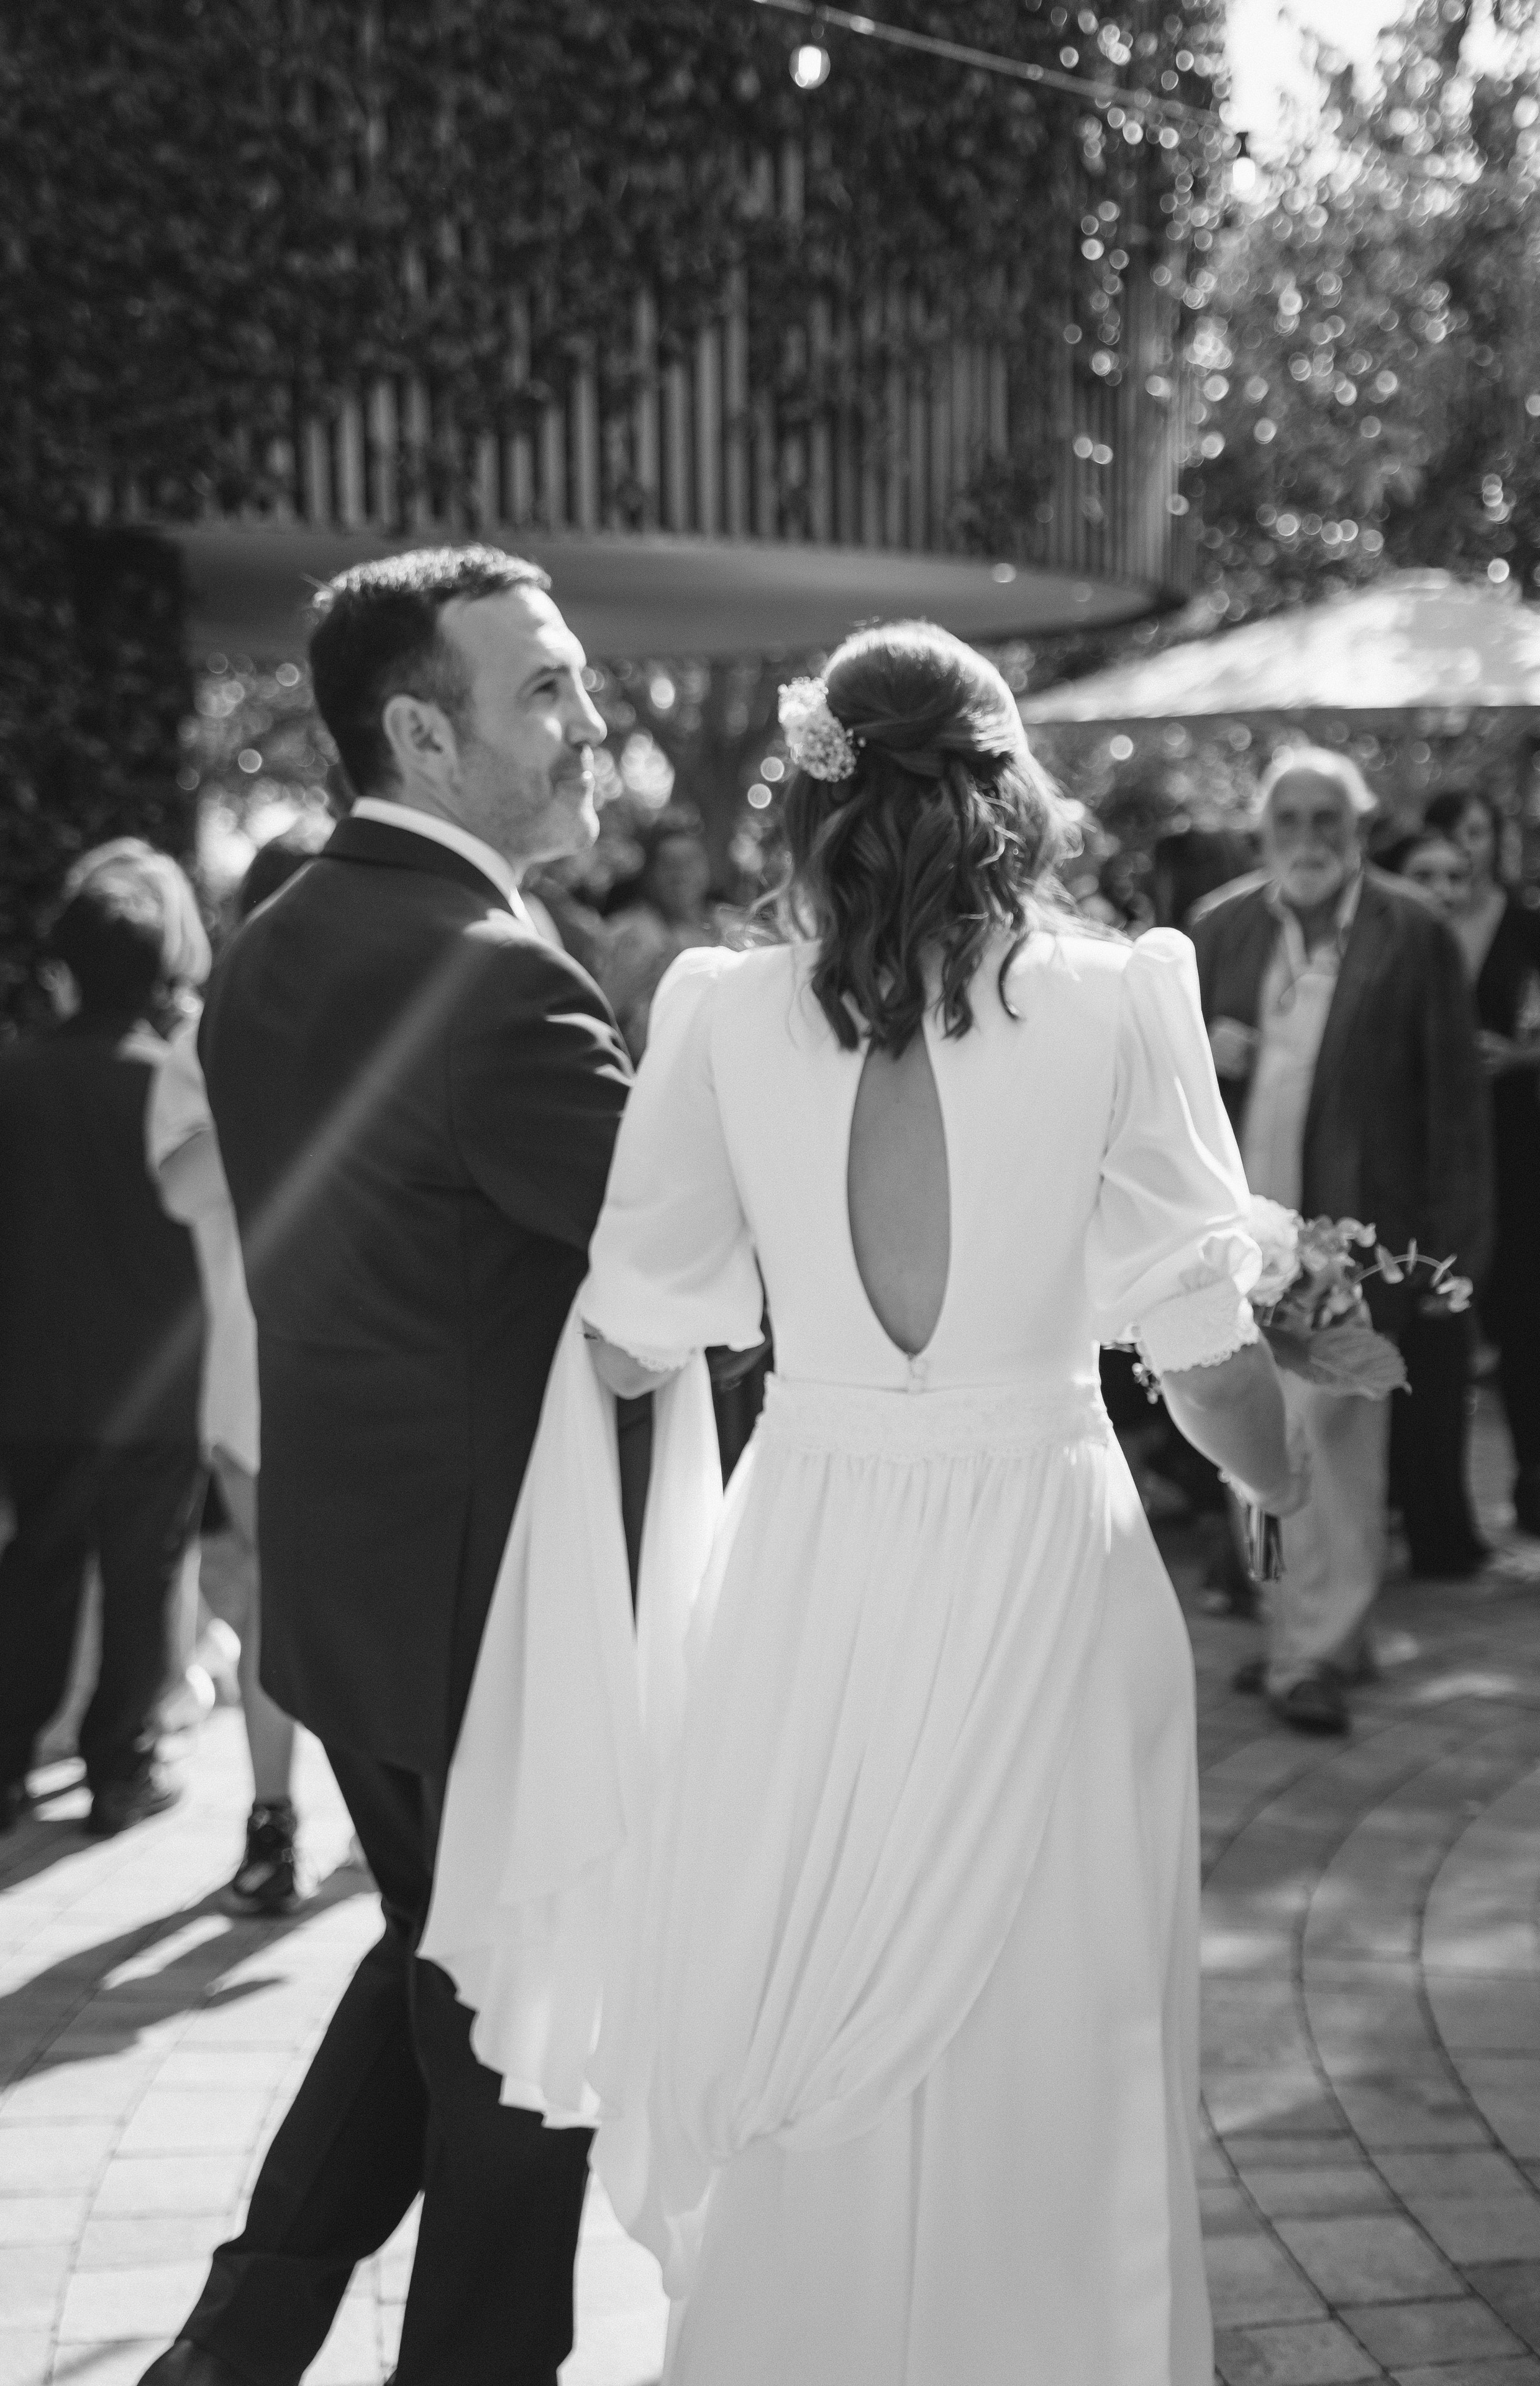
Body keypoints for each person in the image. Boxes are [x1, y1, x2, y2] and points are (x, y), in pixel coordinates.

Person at [422, 621, 1305, 2384]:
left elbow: (632, 1331)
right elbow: (1201, 1353)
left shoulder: (718, 1016)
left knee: (800, 1985)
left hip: (806, 1563)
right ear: (1007, 786)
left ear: (815, 794)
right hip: (1046, 1561)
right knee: (1060, 2030)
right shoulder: (1125, 994)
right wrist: (1292, 1493)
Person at [140, 546, 634, 2386]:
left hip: (365, 1598)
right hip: (501, 1615)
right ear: (420, 731)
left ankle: (239, 2337)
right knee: (526, 2034)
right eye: (549, 691)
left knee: (444, 1964)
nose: (592, 723)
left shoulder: (277, 941)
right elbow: (689, 1250)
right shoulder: (493, 975)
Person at [1190, 751, 1491, 1733]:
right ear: (1262, 830)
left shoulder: (1412, 930)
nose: (1309, 839)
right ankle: (1309, 1628)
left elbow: (1455, 1096)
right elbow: (1169, 1088)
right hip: (1238, 1240)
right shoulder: (1222, 929)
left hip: (1352, 1239)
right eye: (1291, 820)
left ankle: (1308, 1651)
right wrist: (1210, 1047)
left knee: (1331, 1440)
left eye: (1330, 819)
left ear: (1361, 828)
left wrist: (1457, 1246)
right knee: (1250, 1447)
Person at [0, 843, 211, 1834]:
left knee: (35, 1570)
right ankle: (118, 1766)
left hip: (36, 1382)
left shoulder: (18, 1078)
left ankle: (6, 1761)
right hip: (156, 1382)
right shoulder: (175, 1087)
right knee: (142, 1583)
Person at [147, 826, 327, 1914]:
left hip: (385, 1369)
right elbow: (180, 1184)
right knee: (277, 1594)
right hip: (256, 1381)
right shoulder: (209, 1038)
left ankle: (397, 1834)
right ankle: (272, 1817)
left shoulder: (401, 1020)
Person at [1424, 787, 1540, 1538]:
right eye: (1456, 836)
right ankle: (1433, 1497)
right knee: (1435, 1312)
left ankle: (1532, 1476)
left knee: (1525, 1313)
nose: (1469, 849)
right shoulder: (1406, 928)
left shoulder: (1530, 929)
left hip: (1518, 1138)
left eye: (1481, 833)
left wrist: (1517, 1055)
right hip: (1430, 1145)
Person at [1376, 826, 1492, 1575]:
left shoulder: (1449, 954)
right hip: (1385, 1205)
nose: (1443, 890)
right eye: (1425, 874)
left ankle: (1439, 1530)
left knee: (1439, 1370)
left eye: (1456, 874)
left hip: (1448, 1201)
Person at [599, 805, 725, 1056]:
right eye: (669, 864)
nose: (681, 875)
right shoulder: (623, 934)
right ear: (650, 873)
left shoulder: (734, 930)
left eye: (690, 862)